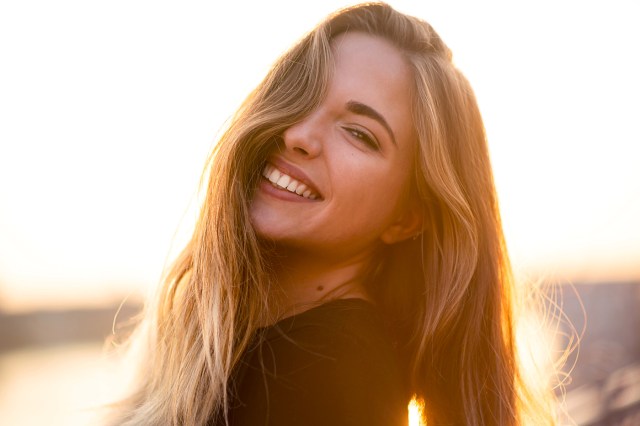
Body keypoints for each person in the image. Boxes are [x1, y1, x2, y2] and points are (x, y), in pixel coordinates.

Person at [107, 3, 558, 425]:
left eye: (360, 134)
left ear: (408, 216)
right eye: (300, 95)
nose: (299, 134)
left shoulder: (335, 370)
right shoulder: (258, 345)